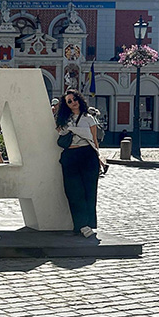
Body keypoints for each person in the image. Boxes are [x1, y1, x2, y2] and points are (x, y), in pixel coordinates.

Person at [56, 89, 101, 238]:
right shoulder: (64, 119)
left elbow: (94, 140)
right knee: (74, 191)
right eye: (69, 101)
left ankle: (88, 224)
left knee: (89, 190)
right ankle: (81, 224)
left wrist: (98, 157)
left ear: (79, 99)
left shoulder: (89, 118)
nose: (73, 102)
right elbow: (60, 133)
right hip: (70, 155)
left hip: (87, 155)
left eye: (75, 99)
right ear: (66, 105)